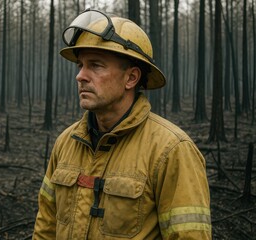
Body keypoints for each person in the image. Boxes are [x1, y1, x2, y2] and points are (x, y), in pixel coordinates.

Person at [33, 9, 211, 240]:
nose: (81, 76)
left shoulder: (171, 150)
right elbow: (46, 227)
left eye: (96, 65)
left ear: (131, 78)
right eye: (80, 65)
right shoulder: (66, 143)